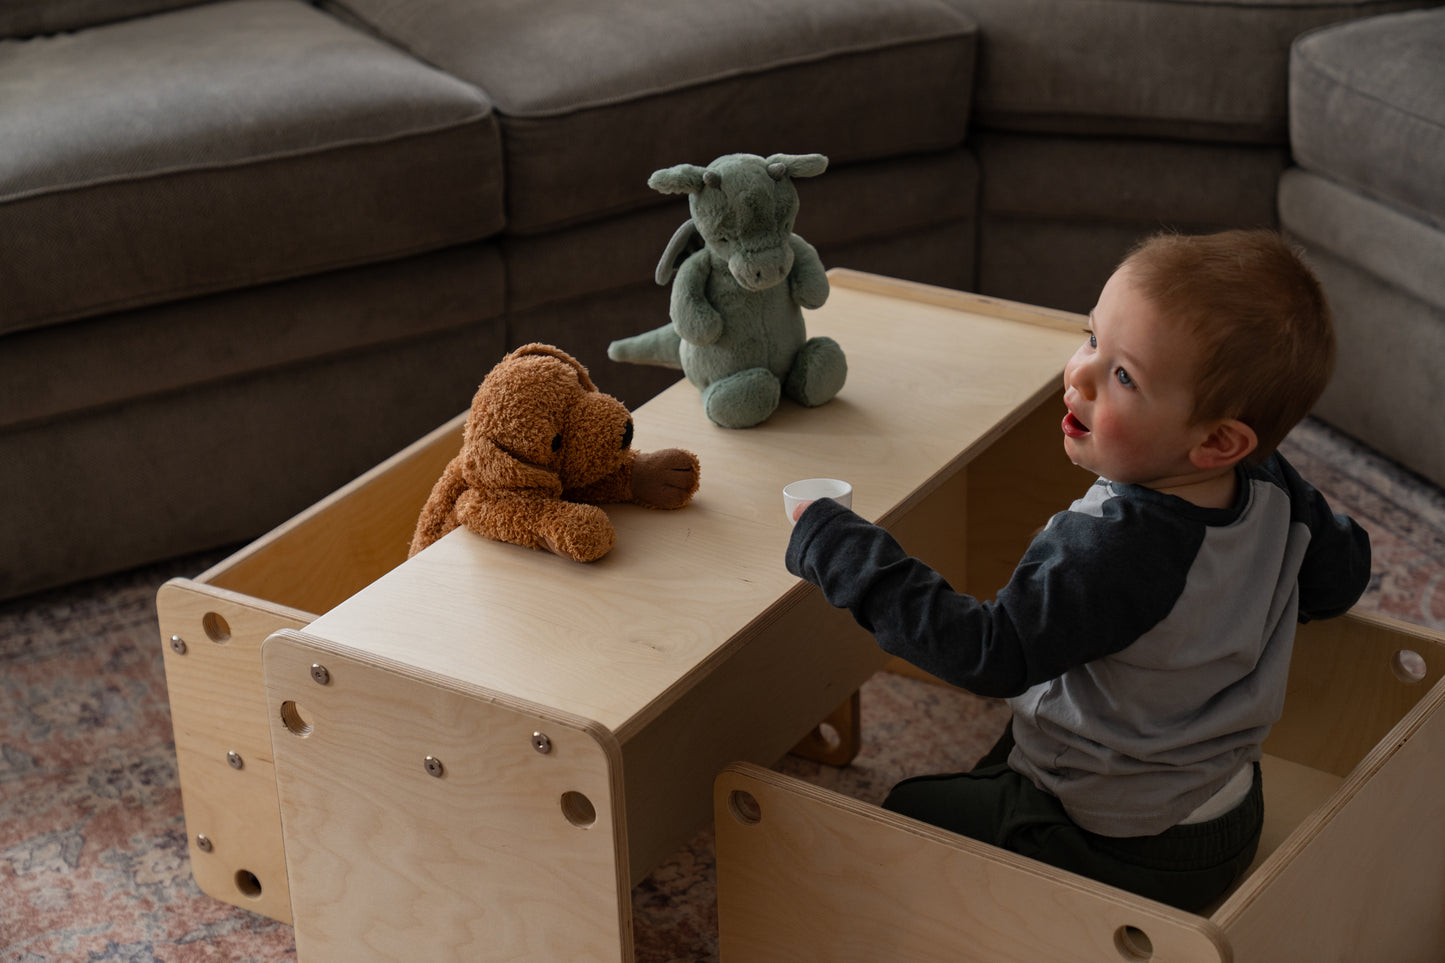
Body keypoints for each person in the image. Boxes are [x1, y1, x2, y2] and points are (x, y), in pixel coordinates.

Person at [784, 229, 1372, 911]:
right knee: (1012, 739)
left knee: (905, 812)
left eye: (1123, 376)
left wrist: (844, 549)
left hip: (1125, 845)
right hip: (1227, 816)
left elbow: (988, 654)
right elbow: (1342, 576)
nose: (1078, 374)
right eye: (1092, 337)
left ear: (1215, 439)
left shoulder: (1113, 550)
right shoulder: (1274, 485)